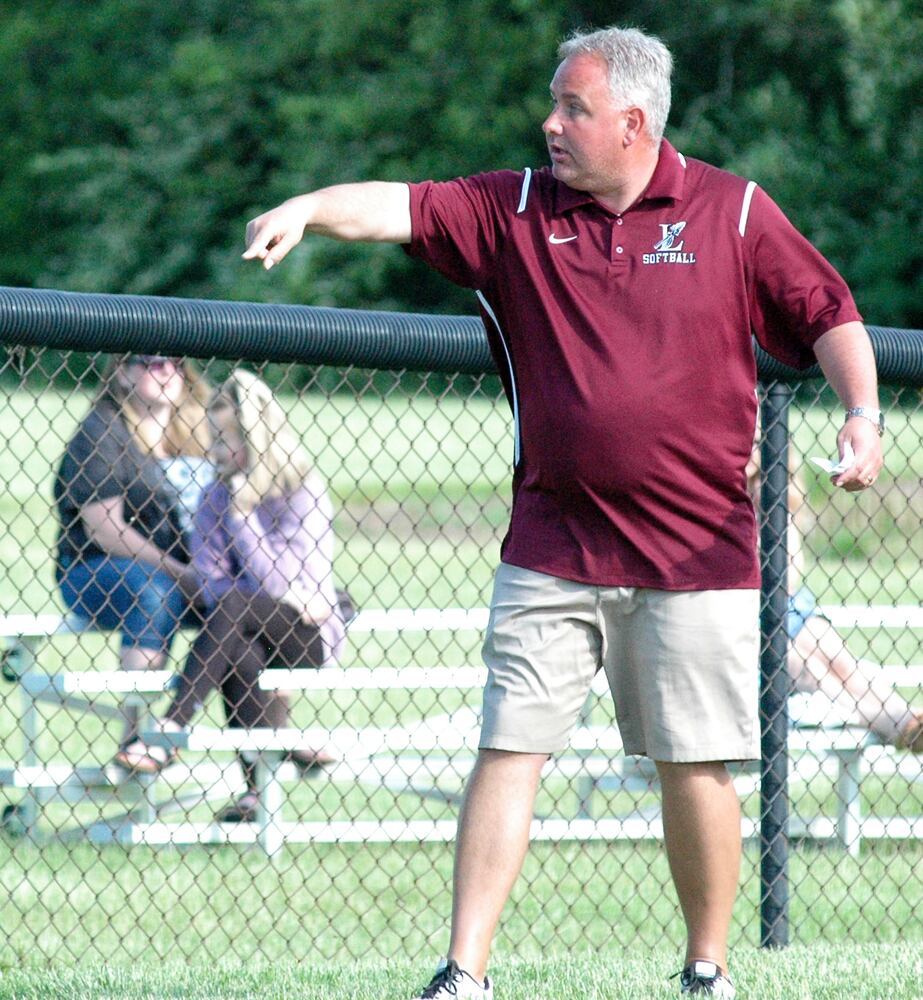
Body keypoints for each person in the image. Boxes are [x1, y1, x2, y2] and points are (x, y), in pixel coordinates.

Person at [242, 25, 884, 998]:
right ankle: (463, 972)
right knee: (507, 746)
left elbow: (827, 310)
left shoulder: (731, 211)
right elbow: (398, 208)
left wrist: (862, 415)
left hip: (697, 554)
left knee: (692, 765)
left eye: (570, 108)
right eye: (551, 103)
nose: (548, 123)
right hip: (550, 546)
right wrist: (306, 208)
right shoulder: (511, 210)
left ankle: (704, 969)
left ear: (632, 123)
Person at [117, 369, 347, 823]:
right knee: (234, 635)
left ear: (259, 439)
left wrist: (243, 517)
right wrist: (235, 519)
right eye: (213, 439)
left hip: (308, 637)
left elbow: (285, 588)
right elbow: (212, 585)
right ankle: (256, 794)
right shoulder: (213, 496)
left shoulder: (302, 491)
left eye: (226, 441)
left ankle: (171, 726)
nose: (215, 452)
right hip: (243, 628)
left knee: (232, 612)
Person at [54, 354, 212, 768]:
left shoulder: (198, 431)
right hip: (95, 571)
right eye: (153, 363)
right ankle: (136, 736)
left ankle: (265, 750)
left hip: (188, 573)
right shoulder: (102, 429)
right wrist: (179, 572)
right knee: (153, 591)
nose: (167, 372)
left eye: (176, 364)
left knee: (248, 605)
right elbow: (105, 528)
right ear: (124, 371)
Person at [746, 448, 923, 750]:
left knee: (839, 659)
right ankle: (896, 725)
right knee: (810, 667)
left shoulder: (777, 509)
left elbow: (788, 579)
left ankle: (906, 718)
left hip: (789, 618)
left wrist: (775, 517)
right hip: (752, 629)